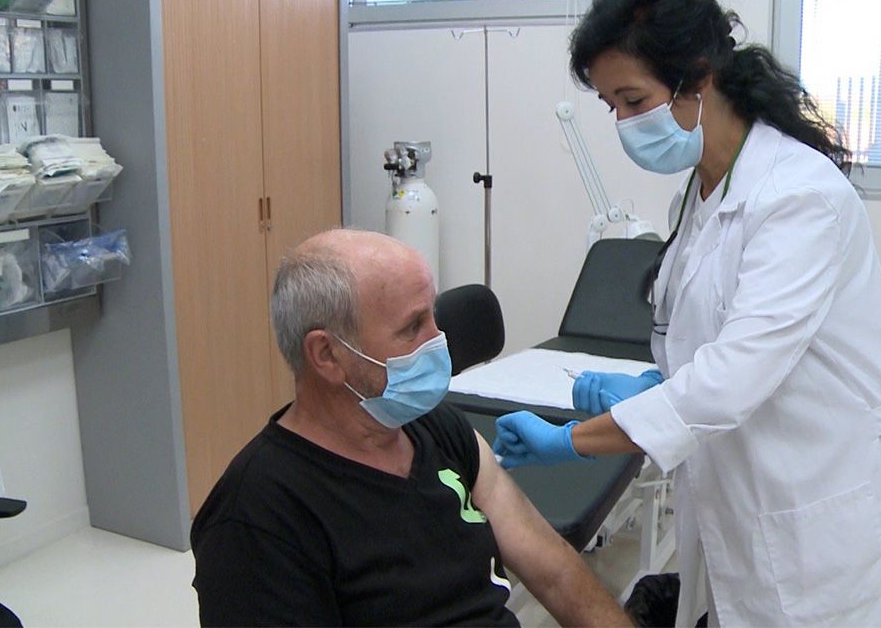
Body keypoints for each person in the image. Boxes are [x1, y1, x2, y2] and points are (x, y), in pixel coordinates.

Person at [493, 0, 881, 626]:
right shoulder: (700, 195)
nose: (623, 123)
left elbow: (730, 378)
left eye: (633, 99)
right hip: (744, 495)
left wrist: (573, 440)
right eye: (610, 105)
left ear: (698, 79)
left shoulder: (798, 197)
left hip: (821, 509)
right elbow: (704, 351)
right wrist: (655, 385)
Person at [189, 229, 631, 627]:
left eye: (433, 318)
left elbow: (555, 571)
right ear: (327, 355)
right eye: (413, 326)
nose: (439, 342)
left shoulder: (438, 430)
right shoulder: (257, 519)